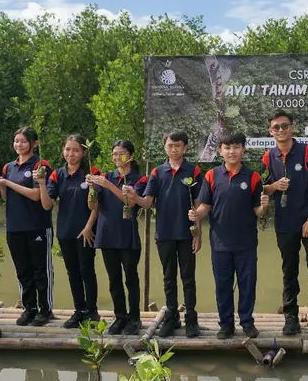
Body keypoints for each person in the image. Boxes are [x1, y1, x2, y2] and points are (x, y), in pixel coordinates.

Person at [189, 131, 269, 339]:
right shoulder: (211, 176)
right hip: (220, 243)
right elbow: (206, 206)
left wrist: (264, 207)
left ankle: (247, 322)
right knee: (222, 285)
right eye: (227, 147)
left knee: (247, 284)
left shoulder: (253, 177)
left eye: (236, 147)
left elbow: (257, 212)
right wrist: (195, 214)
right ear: (220, 151)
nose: (232, 151)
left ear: (243, 150)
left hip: (246, 243)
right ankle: (226, 324)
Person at [126, 131, 203, 338]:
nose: (174, 149)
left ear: (185, 148)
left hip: (187, 233)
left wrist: (199, 233)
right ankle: (171, 317)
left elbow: (199, 205)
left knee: (188, 277)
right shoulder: (157, 172)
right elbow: (148, 203)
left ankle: (191, 318)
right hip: (165, 233)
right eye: (170, 145)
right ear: (165, 148)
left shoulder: (194, 171)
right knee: (169, 277)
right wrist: (134, 196)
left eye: (178, 145)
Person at [261, 110, 308, 337]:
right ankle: (291, 316)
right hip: (285, 222)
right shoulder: (267, 156)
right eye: (276, 127)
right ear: (271, 131)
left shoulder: (306, 151)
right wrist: (274, 187)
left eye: (284, 126)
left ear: (292, 128)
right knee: (289, 270)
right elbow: (264, 187)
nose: (281, 130)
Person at [0, 127, 54, 327]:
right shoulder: (9, 167)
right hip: (15, 225)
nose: (19, 145)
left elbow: (35, 195)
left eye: (23, 141)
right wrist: (2, 186)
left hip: (37, 225)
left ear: (34, 144)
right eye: (16, 141)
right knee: (22, 270)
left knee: (41, 270)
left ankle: (45, 309)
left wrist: (7, 182)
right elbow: (7, 198)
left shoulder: (40, 165)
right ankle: (29, 308)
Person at [38, 134, 100, 328]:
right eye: (67, 149)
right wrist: (41, 183)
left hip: (86, 230)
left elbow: (97, 205)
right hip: (65, 230)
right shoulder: (57, 174)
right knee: (72, 271)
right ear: (63, 151)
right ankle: (78, 310)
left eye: (75, 150)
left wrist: (89, 227)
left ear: (83, 152)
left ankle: (92, 311)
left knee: (86, 270)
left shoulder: (91, 172)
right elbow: (47, 205)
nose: (71, 154)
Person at [86, 140, 147, 335]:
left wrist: (109, 185)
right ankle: (120, 316)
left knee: (131, 277)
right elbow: (93, 207)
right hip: (107, 235)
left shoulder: (140, 179)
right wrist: (92, 190)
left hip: (127, 235)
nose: (116, 158)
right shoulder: (105, 177)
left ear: (131, 156)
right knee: (114, 279)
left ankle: (135, 318)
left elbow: (131, 202)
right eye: (114, 154)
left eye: (121, 153)